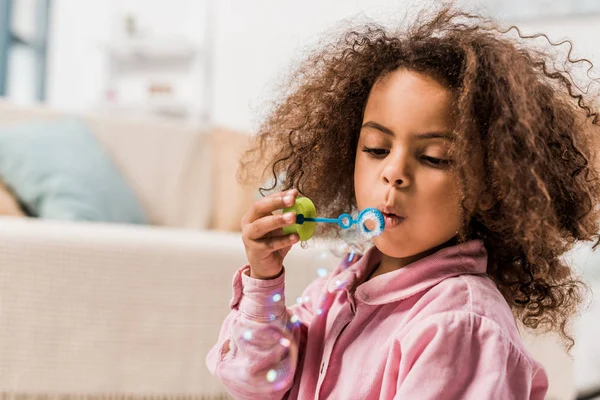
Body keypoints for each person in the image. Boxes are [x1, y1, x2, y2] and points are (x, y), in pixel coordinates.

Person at [207, 5, 600, 399]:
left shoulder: (459, 324)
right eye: (377, 149)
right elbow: (255, 381)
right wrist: (263, 282)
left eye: (433, 158)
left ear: (489, 186)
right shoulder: (341, 287)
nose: (394, 173)